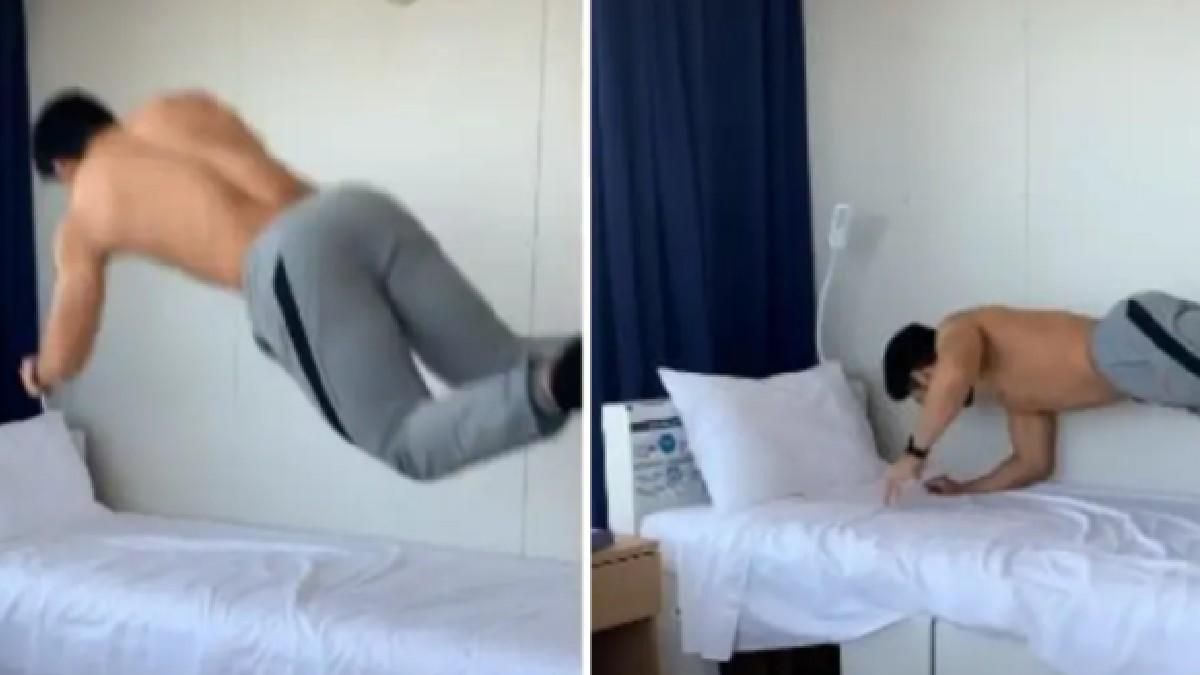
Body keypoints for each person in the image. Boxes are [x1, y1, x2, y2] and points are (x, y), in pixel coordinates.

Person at [27, 88, 581, 481]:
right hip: (354, 207)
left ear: (62, 165)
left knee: (403, 439)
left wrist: (41, 372)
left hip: (289, 261)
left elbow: (70, 346)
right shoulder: (177, 109)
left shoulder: (84, 210)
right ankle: (591, 362)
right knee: (499, 362)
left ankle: (554, 385)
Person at [881, 291, 1200, 503]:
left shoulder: (956, 328)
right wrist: (964, 490)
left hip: (1130, 340)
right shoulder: (1016, 396)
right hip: (1141, 378)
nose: (928, 404)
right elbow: (1032, 464)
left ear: (923, 377)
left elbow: (953, 378)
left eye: (920, 397)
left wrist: (914, 455)